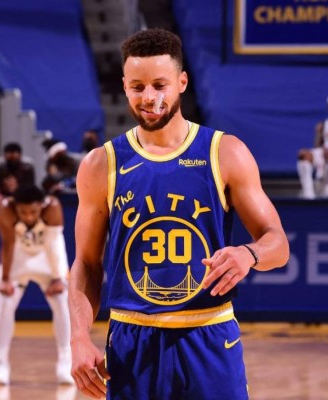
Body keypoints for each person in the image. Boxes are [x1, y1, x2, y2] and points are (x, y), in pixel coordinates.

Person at [68, 28, 289, 400]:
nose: (149, 97)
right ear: (124, 87)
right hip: (131, 339)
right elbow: (87, 263)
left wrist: (248, 254)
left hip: (208, 333)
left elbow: (277, 244)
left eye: (160, 85)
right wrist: (77, 337)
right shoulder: (100, 164)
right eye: (137, 87)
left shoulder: (225, 152)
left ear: (182, 82)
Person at [0, 184, 73, 386]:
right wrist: (5, 278)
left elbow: (54, 244)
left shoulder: (52, 207)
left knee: (61, 300)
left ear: (41, 206)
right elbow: (7, 244)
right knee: (5, 301)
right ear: (16, 207)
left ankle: (65, 361)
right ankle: (0, 362)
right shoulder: (6, 209)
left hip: (46, 256)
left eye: (33, 212)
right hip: (19, 256)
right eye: (23, 212)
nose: (28, 217)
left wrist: (58, 277)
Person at [0, 142, 36, 208]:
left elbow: (30, 187)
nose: (12, 158)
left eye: (14, 157)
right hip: (3, 197)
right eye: (9, 156)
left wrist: (17, 187)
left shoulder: (27, 169)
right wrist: (5, 187)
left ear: (20, 156)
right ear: (4, 156)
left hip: (22, 196)